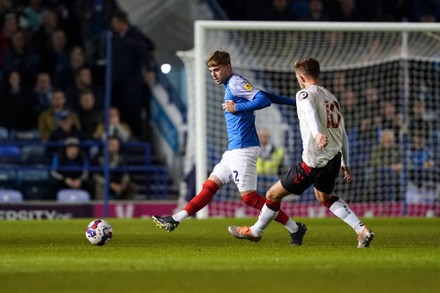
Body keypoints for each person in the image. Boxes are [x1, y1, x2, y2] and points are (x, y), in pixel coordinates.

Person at [153, 50, 300, 244]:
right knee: (209, 186)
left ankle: (295, 227)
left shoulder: (236, 83)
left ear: (228, 67)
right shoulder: (233, 84)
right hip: (233, 150)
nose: (214, 74)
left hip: (244, 149)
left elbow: (262, 101)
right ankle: (175, 219)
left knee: (249, 198)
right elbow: (266, 95)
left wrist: (237, 108)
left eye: (217, 69)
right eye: (211, 70)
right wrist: (295, 101)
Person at [228, 57, 374, 248]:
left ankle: (255, 232)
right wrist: (346, 163)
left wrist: (316, 134)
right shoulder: (331, 97)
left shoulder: (304, 95)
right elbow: (343, 133)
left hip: (314, 162)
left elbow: (310, 113)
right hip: (334, 159)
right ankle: (362, 231)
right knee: (325, 197)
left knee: (272, 195)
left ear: (302, 77)